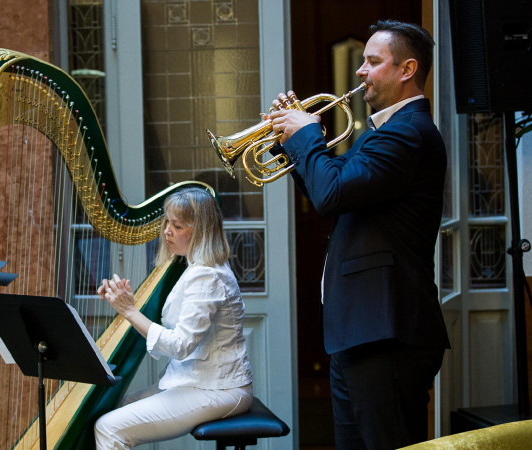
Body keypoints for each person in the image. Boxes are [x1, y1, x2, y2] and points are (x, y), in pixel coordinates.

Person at [268, 20, 450, 449]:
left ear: (407, 69)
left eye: (372, 61)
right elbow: (331, 189)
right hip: (360, 329)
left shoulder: (409, 134)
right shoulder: (382, 132)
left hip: (386, 331)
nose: (360, 71)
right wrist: (285, 144)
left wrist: (308, 134)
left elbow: (331, 192)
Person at [94, 187, 253, 449]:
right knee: (110, 408)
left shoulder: (208, 276)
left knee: (108, 429)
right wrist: (126, 302)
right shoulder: (195, 268)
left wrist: (130, 311)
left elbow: (180, 345)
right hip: (195, 382)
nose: (167, 230)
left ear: (200, 230)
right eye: (166, 221)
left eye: (177, 225)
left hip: (218, 389)